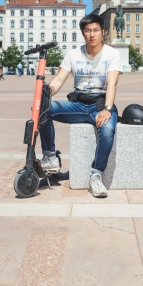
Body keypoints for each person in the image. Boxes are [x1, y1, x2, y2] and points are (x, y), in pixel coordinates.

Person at [39, 13, 122, 198]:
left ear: (103, 32)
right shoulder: (73, 54)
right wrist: (46, 93)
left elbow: (112, 83)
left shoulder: (112, 54)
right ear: (83, 33)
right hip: (77, 104)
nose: (92, 34)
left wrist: (107, 109)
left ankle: (96, 176)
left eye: (95, 30)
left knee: (107, 131)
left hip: (100, 104)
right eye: (87, 31)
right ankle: (50, 157)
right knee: (42, 110)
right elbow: (59, 79)